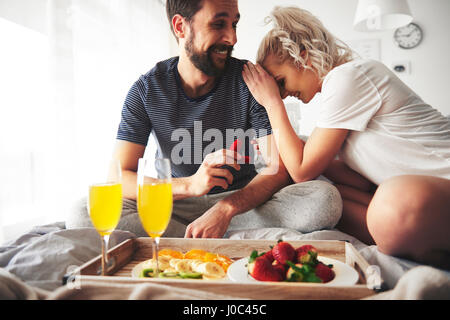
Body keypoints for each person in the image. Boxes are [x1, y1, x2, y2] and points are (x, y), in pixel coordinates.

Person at [66, 0, 343, 239]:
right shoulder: (146, 91)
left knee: (323, 200)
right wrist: (189, 185)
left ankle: (199, 233)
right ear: (180, 27)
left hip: (243, 205)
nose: (232, 38)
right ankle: (200, 235)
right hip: (179, 203)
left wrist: (226, 209)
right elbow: (118, 175)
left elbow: (277, 169)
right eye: (218, 24)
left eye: (234, 24)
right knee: (83, 212)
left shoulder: (252, 82)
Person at [242, 6, 450, 268]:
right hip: (421, 196)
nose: (283, 94)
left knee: (392, 200)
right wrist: (295, 146)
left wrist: (271, 103)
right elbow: (361, 183)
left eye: (280, 82)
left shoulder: (349, 77)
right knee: (324, 196)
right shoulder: (339, 94)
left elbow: (302, 170)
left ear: (302, 57)